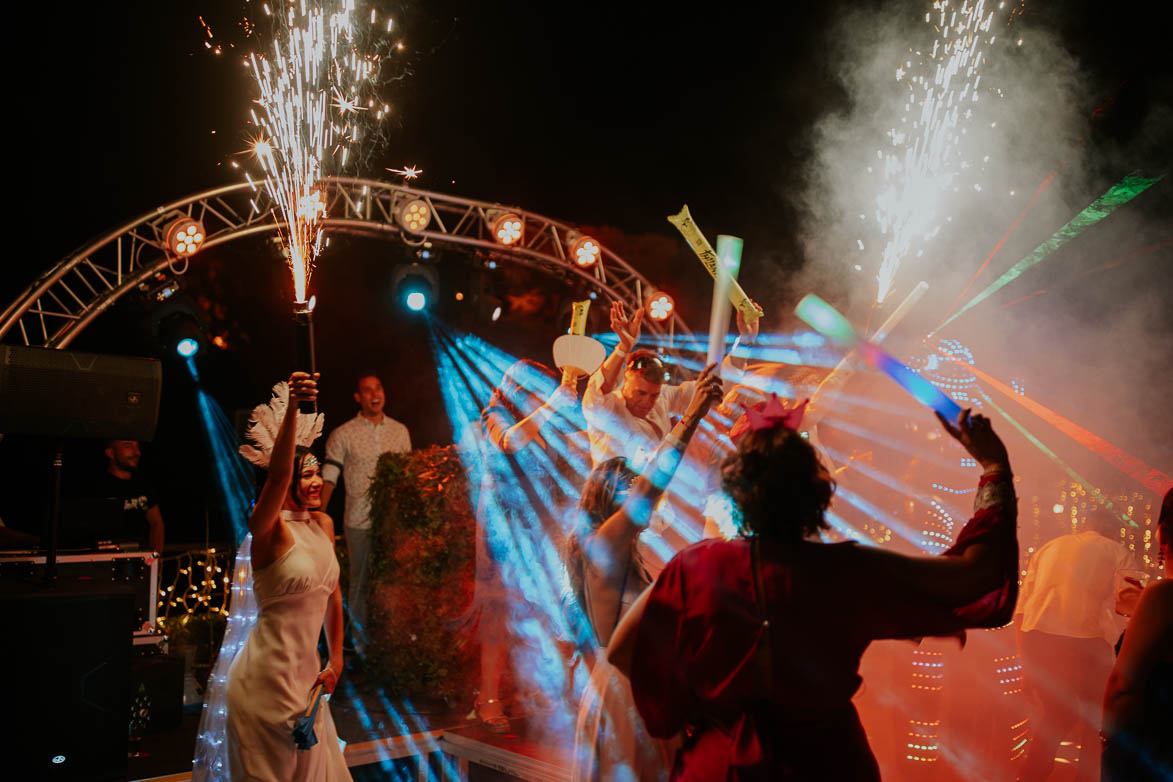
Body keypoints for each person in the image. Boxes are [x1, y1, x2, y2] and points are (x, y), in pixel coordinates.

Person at [608, 404, 1020, 781]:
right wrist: (994, 465)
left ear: (735, 495)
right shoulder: (846, 569)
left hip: (720, 764)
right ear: (817, 495)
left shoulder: (695, 565)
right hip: (825, 765)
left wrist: (696, 712)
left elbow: (622, 650)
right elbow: (974, 575)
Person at [565, 364, 724, 782]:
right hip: (623, 697)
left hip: (639, 691)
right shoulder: (602, 544)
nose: (646, 503)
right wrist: (690, 419)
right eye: (631, 491)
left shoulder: (623, 552)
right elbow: (654, 484)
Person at [223, 373, 350, 781]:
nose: (315, 482)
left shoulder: (324, 525)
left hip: (306, 688)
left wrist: (337, 658)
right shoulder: (270, 528)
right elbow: (277, 477)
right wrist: (295, 405)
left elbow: (332, 597)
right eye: (306, 474)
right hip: (263, 687)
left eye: (317, 472)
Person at [471, 358, 590, 732]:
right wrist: (555, 402)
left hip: (540, 526)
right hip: (502, 527)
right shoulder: (495, 414)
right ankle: (486, 697)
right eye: (537, 389)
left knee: (547, 612)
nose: (543, 395)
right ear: (517, 389)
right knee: (500, 613)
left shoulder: (545, 418)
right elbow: (511, 441)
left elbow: (573, 458)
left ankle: (540, 690)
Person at [1015, 508, 1135, 781]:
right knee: (1097, 718)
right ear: (1111, 529)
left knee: (1059, 712)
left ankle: (1031, 774)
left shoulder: (1048, 548)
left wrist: (1024, 660)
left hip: (1038, 639)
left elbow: (1022, 609)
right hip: (1084, 642)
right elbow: (1129, 602)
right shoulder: (1115, 550)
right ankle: (1084, 776)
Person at [581, 301, 758, 468]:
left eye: (654, 394)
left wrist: (746, 342)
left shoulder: (664, 396)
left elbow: (712, 387)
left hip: (651, 492)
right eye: (640, 393)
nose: (647, 401)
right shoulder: (607, 406)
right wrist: (623, 347)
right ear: (626, 378)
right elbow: (598, 389)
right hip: (609, 495)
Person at [320, 373, 411, 652]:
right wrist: (315, 518)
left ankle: (393, 643)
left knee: (394, 581)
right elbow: (329, 477)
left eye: (378, 388)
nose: (375, 394)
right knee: (361, 583)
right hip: (359, 519)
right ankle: (360, 647)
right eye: (367, 390)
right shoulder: (343, 433)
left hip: (392, 521)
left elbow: (409, 477)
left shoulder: (400, 431)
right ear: (358, 397)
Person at [1101, 487, 1173, 782]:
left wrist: (1107, 740)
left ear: (1163, 532)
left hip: (1151, 749)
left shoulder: (1164, 595)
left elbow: (1122, 685)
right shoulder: (1159, 600)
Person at [92, 439, 164, 552]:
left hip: (138, 562)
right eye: (128, 446)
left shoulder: (143, 485)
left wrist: (154, 559)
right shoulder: (97, 488)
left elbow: (157, 524)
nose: (137, 453)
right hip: (104, 562)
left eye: (137, 447)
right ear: (110, 453)